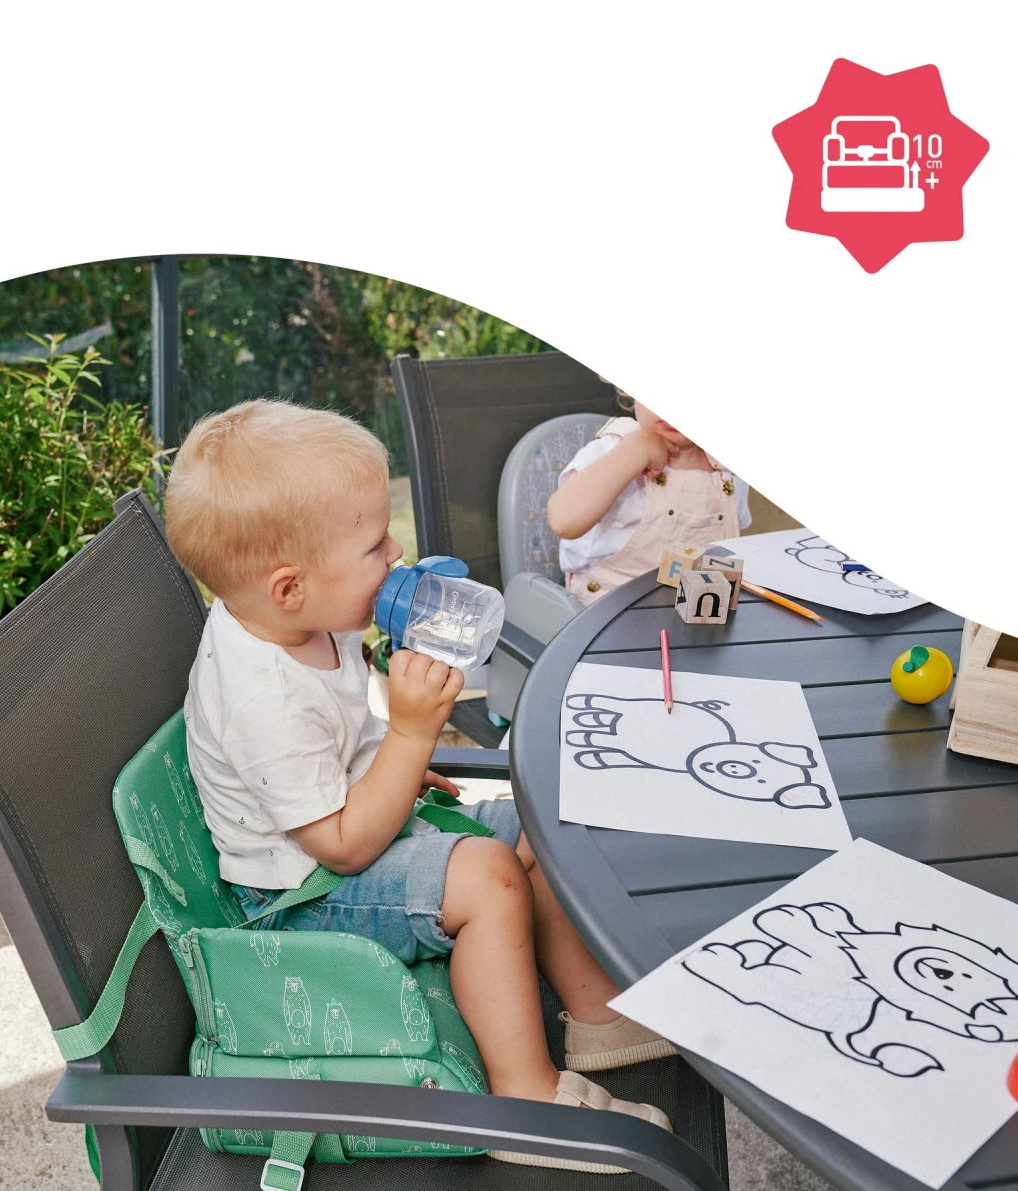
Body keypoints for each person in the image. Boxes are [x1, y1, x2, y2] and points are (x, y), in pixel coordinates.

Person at [164, 399, 674, 1172]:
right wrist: (410, 736)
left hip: (353, 830)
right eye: (374, 545)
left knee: (544, 825)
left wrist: (392, 767)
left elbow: (347, 745)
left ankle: (599, 1022)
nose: (397, 551)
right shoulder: (261, 697)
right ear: (289, 587)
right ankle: (525, 1100)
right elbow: (341, 847)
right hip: (300, 898)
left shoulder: (309, 623)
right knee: (490, 879)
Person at [548, 389, 752, 604]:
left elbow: (729, 548)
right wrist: (637, 449)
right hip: (608, 606)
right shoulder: (613, 448)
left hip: (695, 609)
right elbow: (563, 521)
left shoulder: (728, 472)